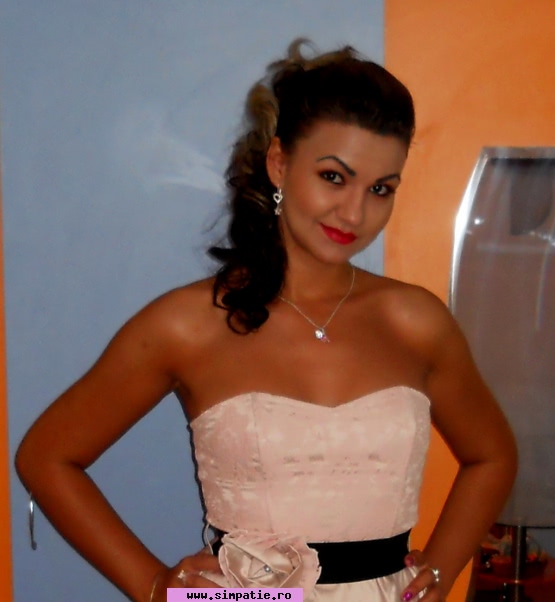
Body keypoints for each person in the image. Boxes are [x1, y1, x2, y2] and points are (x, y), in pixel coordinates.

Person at [15, 39, 517, 602]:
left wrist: (439, 575)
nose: (355, 212)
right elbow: (47, 456)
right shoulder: (188, 324)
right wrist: (154, 586)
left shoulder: (416, 321)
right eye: (334, 177)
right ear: (279, 163)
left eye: (380, 189)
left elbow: (493, 455)